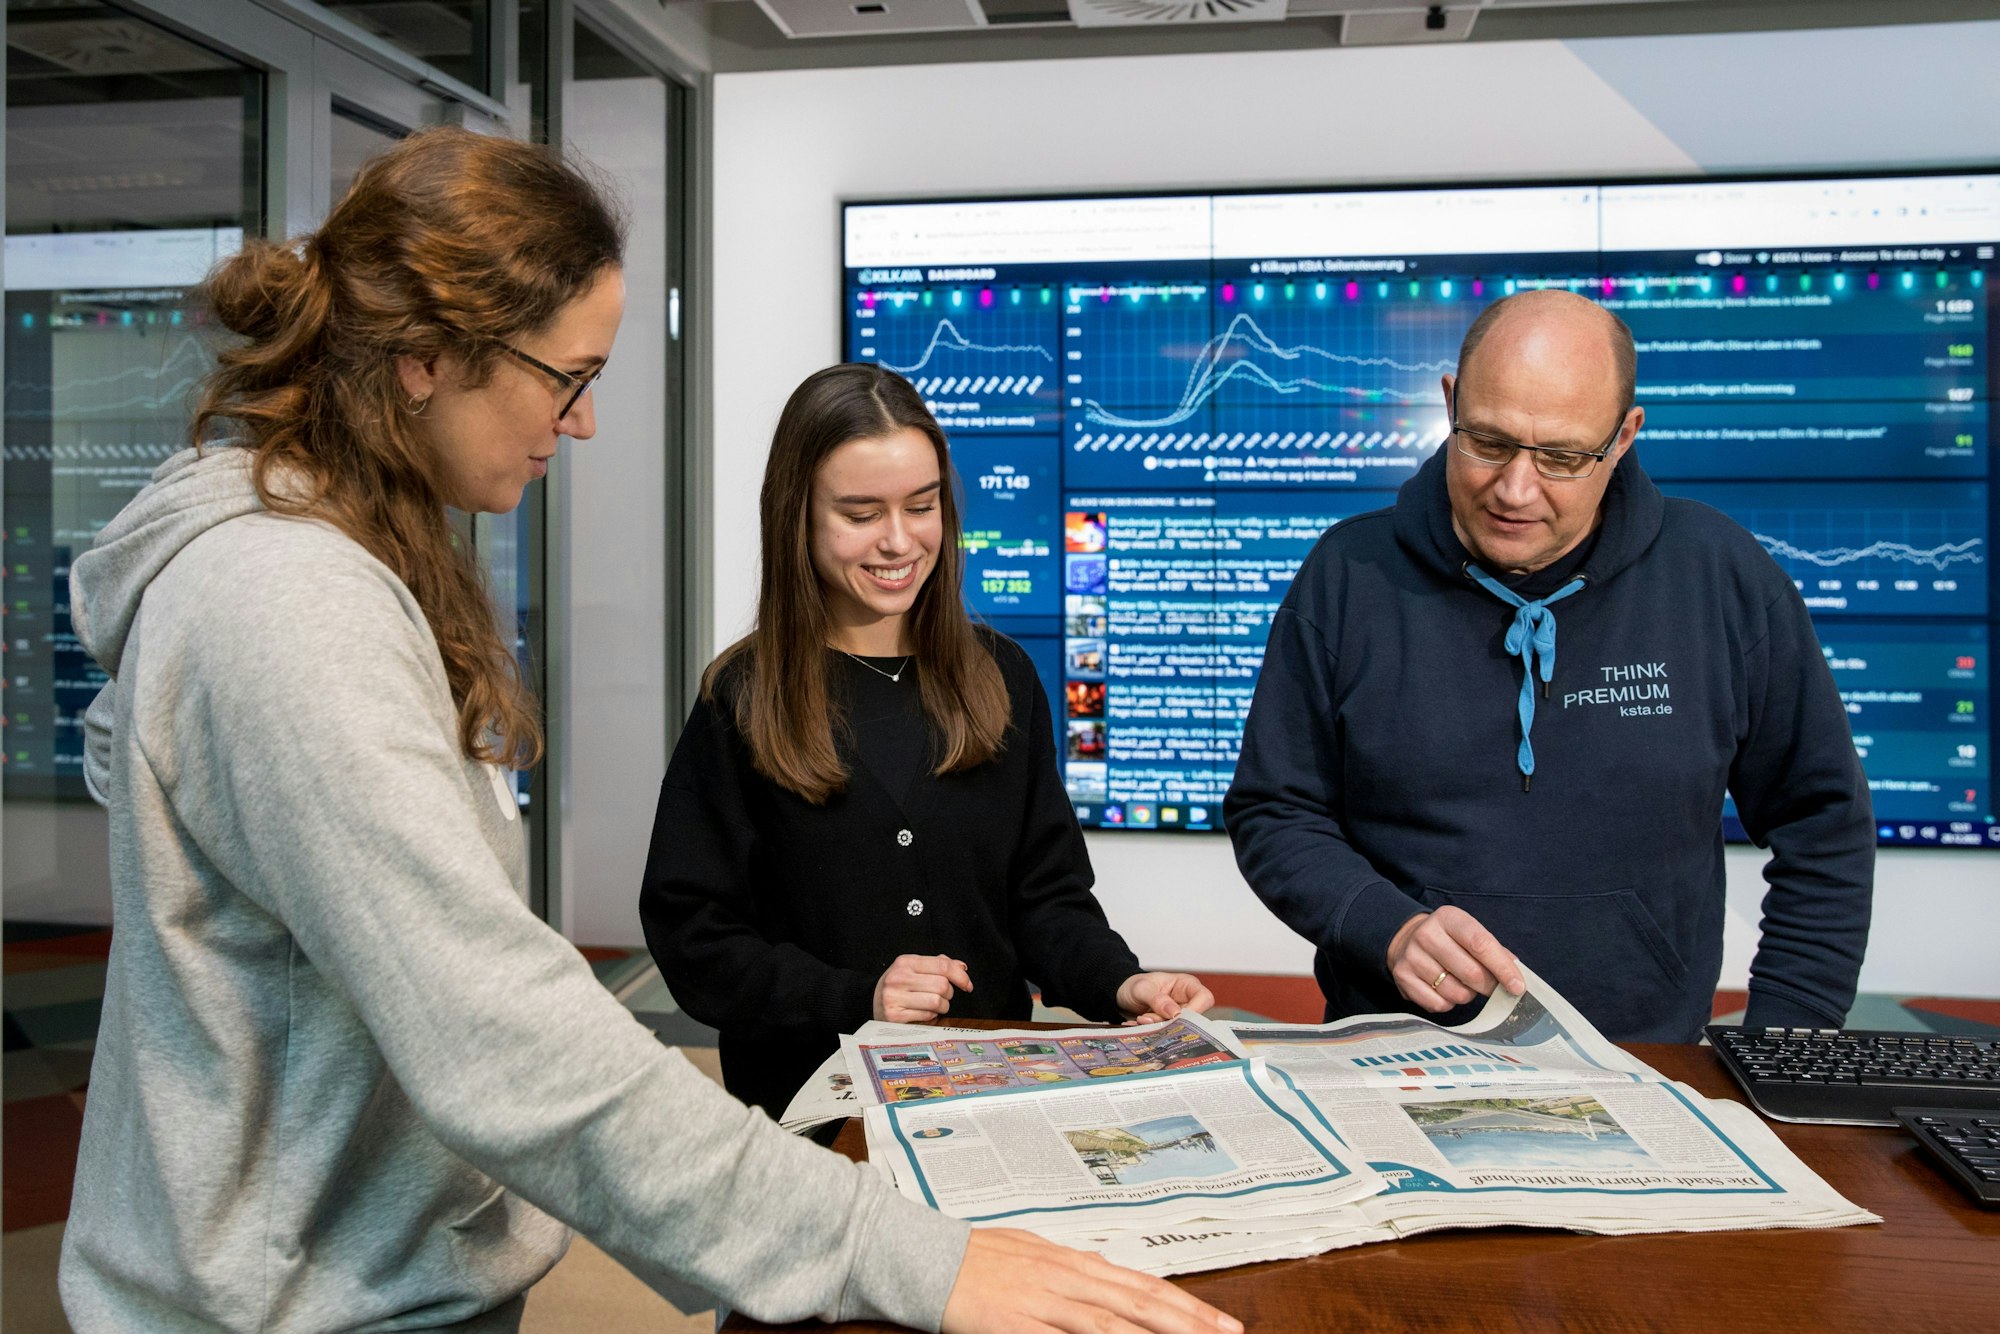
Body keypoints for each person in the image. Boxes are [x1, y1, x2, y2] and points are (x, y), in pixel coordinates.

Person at [59, 128, 1239, 1334]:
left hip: (354, 1263)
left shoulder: (328, 569)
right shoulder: (287, 606)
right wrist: (892, 1251)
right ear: (426, 359)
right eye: (568, 375)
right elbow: (508, 1036)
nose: (577, 423)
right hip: (297, 1295)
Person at [1224, 288, 1873, 1044]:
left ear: (1624, 437)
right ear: (1450, 402)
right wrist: (1384, 927)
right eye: (1488, 443)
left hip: (1650, 1064)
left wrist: (1787, 1041)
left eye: (1562, 457)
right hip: (1390, 1064)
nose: (1515, 489)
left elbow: (1823, 821)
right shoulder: (1348, 576)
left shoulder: (1720, 578)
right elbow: (1274, 812)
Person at [640, 363, 1216, 1121]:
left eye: (922, 505)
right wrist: (856, 996)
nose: (899, 540)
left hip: (995, 1100)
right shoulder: (742, 698)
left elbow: (1047, 903)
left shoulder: (1002, 675)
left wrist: (1121, 983)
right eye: (860, 513)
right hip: (815, 1119)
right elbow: (696, 939)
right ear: (798, 515)